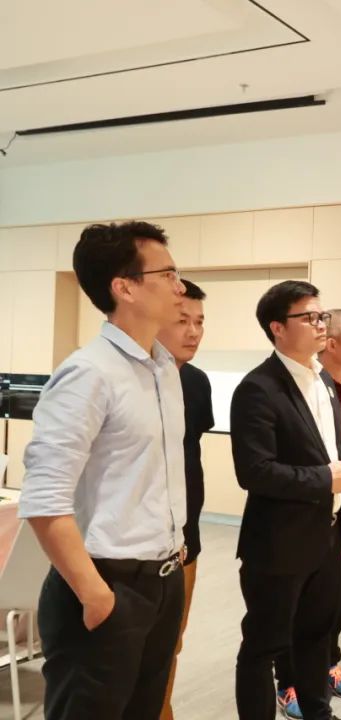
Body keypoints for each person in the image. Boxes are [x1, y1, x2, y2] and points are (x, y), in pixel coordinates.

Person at [19, 221, 188, 720]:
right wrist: (95, 595)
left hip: (163, 580)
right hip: (107, 584)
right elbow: (44, 499)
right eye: (167, 274)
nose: (180, 286)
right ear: (125, 287)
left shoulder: (163, 368)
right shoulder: (88, 373)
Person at [231, 281, 341, 720]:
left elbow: (337, 454)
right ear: (277, 328)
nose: (321, 324)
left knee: (316, 638)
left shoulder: (323, 379)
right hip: (278, 544)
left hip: (327, 538)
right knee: (264, 646)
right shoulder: (258, 388)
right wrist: (322, 480)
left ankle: (319, 713)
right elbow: (254, 471)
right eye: (309, 317)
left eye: (322, 316)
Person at [274, 309, 341, 718]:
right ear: (331, 343)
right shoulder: (307, 388)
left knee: (336, 601)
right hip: (311, 517)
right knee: (298, 608)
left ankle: (327, 664)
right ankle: (288, 681)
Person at [158, 279, 215, 720]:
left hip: (186, 536)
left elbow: (190, 452)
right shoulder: (130, 380)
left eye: (199, 321)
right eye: (182, 321)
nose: (193, 332)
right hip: (134, 546)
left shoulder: (196, 382)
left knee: (171, 641)